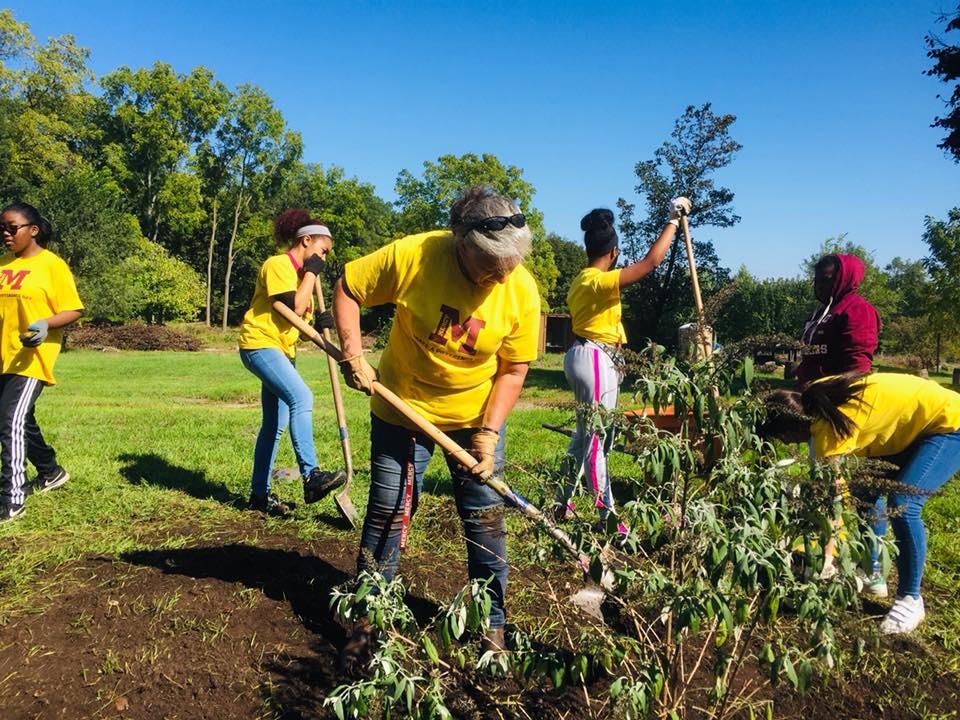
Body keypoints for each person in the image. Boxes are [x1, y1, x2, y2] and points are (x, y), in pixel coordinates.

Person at [332, 186, 541, 658]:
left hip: (475, 418)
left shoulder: (521, 289)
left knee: (486, 520)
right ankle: (366, 620)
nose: (501, 275)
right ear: (460, 241)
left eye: (510, 265)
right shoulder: (417, 255)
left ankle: (491, 628)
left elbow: (513, 369)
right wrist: (353, 354)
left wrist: (488, 433)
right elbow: (348, 287)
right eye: (490, 263)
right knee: (388, 512)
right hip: (402, 408)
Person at [761, 372, 960, 634]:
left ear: (790, 427)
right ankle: (872, 572)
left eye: (781, 438)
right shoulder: (815, 395)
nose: (785, 444)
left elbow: (832, 502)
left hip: (949, 423)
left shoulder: (827, 429)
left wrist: (825, 561)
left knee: (904, 504)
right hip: (912, 424)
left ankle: (911, 600)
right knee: (866, 492)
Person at [555, 198, 691, 529]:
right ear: (614, 252)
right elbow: (651, 262)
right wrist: (672, 220)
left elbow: (575, 326)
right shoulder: (598, 281)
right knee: (598, 441)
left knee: (584, 436)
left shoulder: (580, 282)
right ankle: (608, 518)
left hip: (586, 355)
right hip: (595, 357)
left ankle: (560, 502)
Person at [238, 209, 346, 517]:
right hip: (259, 344)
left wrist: (319, 320)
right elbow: (293, 308)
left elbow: (295, 325)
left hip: (282, 350)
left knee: (274, 424)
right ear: (306, 240)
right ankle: (311, 476)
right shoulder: (279, 265)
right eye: (322, 251)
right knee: (302, 397)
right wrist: (311, 273)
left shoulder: (302, 280)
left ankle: (259, 495)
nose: (323, 259)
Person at [0, 202, 83, 523]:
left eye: (12, 228)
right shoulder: (3, 265)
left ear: (32, 230)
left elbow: (73, 308)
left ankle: (12, 498)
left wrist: (47, 323)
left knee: (10, 421)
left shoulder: (52, 265)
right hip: (4, 354)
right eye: (2, 229)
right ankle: (50, 471)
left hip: (32, 357)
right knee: (14, 419)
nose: (6, 234)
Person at [796, 254, 879, 384]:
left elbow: (858, 365)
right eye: (817, 281)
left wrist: (837, 393)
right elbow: (813, 351)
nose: (819, 286)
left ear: (845, 279)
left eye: (826, 280)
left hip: (832, 394)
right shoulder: (820, 313)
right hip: (810, 389)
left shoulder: (858, 310)